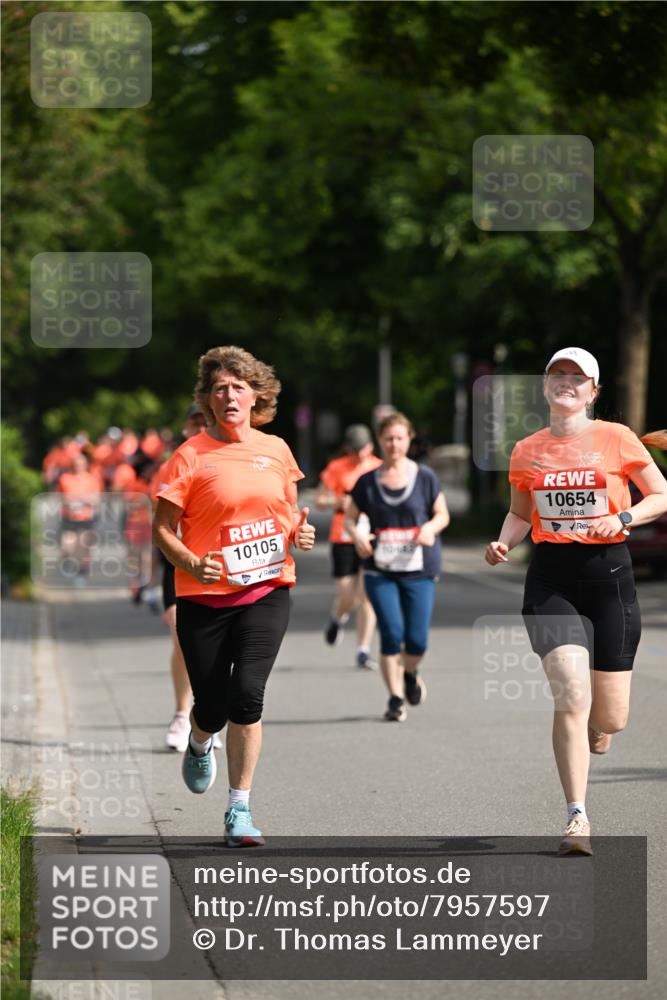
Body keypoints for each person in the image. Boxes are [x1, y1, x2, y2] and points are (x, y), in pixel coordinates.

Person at [485, 347, 667, 855]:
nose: (566, 382)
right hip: (552, 581)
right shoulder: (527, 449)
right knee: (570, 691)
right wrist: (505, 541)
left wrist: (624, 519)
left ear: (593, 391)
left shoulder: (616, 438)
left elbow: (661, 495)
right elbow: (521, 513)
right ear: (546, 386)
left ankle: (598, 723)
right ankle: (577, 817)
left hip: (609, 578)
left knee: (611, 718)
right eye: (557, 375)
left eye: (577, 377)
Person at [153, 346, 315, 847]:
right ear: (206, 399)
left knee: (247, 694)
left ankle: (238, 810)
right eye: (219, 388)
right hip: (203, 596)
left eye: (239, 387)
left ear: (256, 396)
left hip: (267, 588)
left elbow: (286, 511)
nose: (229, 395)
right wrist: (190, 561)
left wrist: (298, 536)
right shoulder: (189, 456)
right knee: (212, 702)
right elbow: (162, 529)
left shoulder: (277, 450)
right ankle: (201, 739)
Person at [344, 412, 450, 721]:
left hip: (419, 568)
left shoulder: (425, 477)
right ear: (380, 441)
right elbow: (350, 519)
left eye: (400, 438)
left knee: (417, 639)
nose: (394, 444)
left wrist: (430, 529)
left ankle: (411, 673)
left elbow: (442, 514)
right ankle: (394, 699)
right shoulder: (366, 482)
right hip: (380, 569)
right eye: (388, 438)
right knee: (391, 632)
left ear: (409, 440)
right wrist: (358, 535)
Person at [151, 402, 216, 752]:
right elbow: (160, 524)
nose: (200, 427)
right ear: (185, 427)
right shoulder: (172, 465)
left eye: (205, 422)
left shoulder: (226, 459)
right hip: (178, 565)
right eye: (194, 422)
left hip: (220, 565)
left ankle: (208, 711)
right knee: (181, 637)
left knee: (218, 646)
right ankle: (181, 713)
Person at [316, 424, 382, 668]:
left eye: (364, 449)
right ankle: (337, 618)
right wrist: (337, 501)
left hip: (369, 536)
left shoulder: (378, 467)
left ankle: (363, 650)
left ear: (371, 447)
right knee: (347, 595)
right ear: (347, 449)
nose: (360, 454)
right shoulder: (337, 467)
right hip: (343, 536)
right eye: (355, 450)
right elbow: (320, 500)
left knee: (367, 595)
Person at [57, 451, 102, 585]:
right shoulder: (65, 478)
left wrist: (84, 499)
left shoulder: (92, 479)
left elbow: (97, 499)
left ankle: (81, 573)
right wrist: (69, 502)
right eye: (76, 463)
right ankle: (68, 561)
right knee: (67, 546)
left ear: (85, 465)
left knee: (84, 546)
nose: (78, 466)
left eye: (81, 464)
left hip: (86, 517)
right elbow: (59, 497)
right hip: (69, 517)